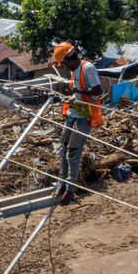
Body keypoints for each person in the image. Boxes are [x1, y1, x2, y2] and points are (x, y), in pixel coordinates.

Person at [52, 42, 103, 206]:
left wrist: (75, 91)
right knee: (64, 149)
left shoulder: (88, 68)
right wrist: (69, 94)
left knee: (73, 153)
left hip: (83, 118)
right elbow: (76, 93)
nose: (65, 68)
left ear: (67, 59)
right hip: (72, 114)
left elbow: (97, 90)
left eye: (64, 64)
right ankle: (62, 183)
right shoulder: (75, 73)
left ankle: (70, 189)